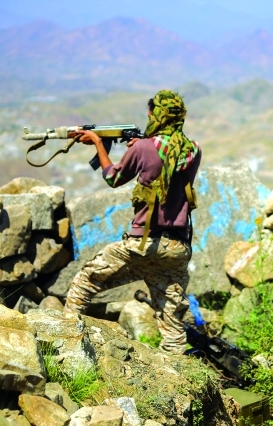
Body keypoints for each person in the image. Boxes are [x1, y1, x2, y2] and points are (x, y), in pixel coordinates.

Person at [63, 90, 201, 354]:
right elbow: (164, 159)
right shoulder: (194, 150)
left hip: (143, 244)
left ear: (154, 115)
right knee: (171, 317)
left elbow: (113, 178)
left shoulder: (142, 147)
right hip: (177, 247)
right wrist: (140, 146)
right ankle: (175, 367)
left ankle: (66, 339)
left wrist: (98, 144)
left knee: (85, 281)